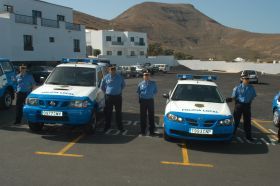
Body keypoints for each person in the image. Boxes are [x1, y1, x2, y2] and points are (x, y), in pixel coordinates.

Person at [231, 72, 257, 141]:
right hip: (239, 105)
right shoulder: (237, 88)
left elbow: (253, 97)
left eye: (248, 78)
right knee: (235, 121)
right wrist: (231, 99)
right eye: (245, 78)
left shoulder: (251, 88)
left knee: (247, 122)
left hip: (247, 105)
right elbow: (233, 97)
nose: (247, 80)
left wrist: (248, 103)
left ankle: (248, 136)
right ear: (241, 79)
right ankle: (232, 134)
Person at [101, 66, 126, 132]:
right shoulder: (106, 77)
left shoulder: (120, 77)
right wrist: (108, 91)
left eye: (114, 70)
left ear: (115, 70)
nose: (113, 71)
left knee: (118, 112)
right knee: (108, 112)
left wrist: (118, 90)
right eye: (111, 70)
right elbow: (102, 87)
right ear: (109, 71)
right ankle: (107, 126)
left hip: (117, 97)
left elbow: (123, 85)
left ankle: (120, 127)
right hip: (109, 97)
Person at [137, 71, 158, 136]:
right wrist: (140, 99)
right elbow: (138, 92)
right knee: (143, 116)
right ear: (143, 77)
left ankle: (152, 131)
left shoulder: (153, 83)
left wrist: (149, 95)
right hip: (143, 101)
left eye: (147, 75)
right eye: (145, 75)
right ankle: (142, 130)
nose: (146, 76)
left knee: (151, 116)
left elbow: (155, 91)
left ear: (149, 76)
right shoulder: (140, 84)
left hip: (150, 101)